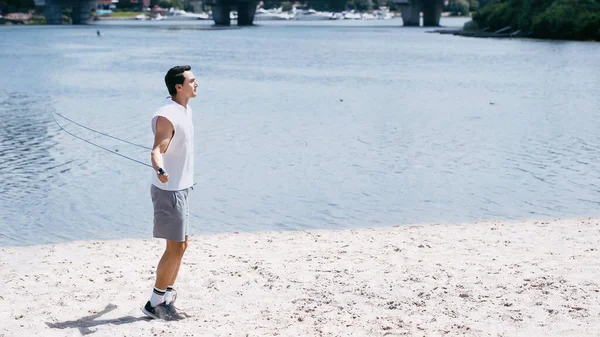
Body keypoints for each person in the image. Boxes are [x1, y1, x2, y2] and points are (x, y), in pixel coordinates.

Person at [142, 65, 198, 320]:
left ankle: (166, 298)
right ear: (179, 86)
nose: (196, 84)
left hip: (182, 188)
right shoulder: (167, 116)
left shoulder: (184, 108)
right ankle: (154, 303)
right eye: (192, 81)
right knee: (174, 248)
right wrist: (160, 168)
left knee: (182, 245)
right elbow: (156, 150)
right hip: (170, 190)